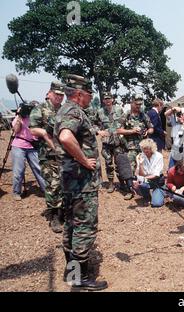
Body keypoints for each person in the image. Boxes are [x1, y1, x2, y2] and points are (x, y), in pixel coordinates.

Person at [54, 74, 107, 291]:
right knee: (84, 227)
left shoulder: (64, 110)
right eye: (88, 94)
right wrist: (84, 160)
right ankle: (80, 279)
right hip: (81, 182)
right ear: (78, 94)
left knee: (71, 225)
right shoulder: (74, 110)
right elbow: (66, 137)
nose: (90, 97)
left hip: (70, 180)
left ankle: (72, 272)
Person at [29, 81, 66, 233]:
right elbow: (32, 129)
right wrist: (44, 132)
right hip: (48, 155)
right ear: (49, 93)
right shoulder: (40, 109)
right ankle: (54, 216)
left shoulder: (64, 110)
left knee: (64, 183)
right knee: (53, 185)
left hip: (64, 154)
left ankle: (62, 211)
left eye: (61, 95)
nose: (59, 97)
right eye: (57, 94)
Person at [117, 93, 154, 200]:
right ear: (131, 103)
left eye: (140, 104)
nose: (138, 106)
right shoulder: (126, 115)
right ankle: (130, 190)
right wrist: (132, 131)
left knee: (144, 168)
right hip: (130, 148)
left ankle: (142, 189)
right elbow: (119, 130)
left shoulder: (143, 115)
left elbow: (151, 127)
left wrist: (148, 131)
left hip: (143, 148)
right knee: (130, 169)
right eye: (136, 104)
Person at [11, 102, 46, 201]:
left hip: (32, 146)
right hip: (19, 145)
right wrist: (19, 116)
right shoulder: (20, 118)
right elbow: (16, 131)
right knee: (19, 170)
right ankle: (16, 192)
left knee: (39, 168)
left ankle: (46, 190)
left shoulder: (36, 118)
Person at [93, 92, 124, 194]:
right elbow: (94, 124)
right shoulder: (100, 112)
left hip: (118, 141)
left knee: (119, 163)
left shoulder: (119, 110)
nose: (107, 100)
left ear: (112, 99)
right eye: (106, 99)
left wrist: (123, 131)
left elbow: (124, 122)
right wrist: (99, 131)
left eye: (109, 99)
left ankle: (122, 183)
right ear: (103, 100)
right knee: (108, 163)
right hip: (106, 142)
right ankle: (111, 183)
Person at [132, 139, 165, 208]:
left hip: (157, 180)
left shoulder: (159, 156)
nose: (145, 151)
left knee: (156, 204)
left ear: (152, 148)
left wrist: (143, 178)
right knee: (141, 184)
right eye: (143, 148)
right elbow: (140, 174)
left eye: (147, 148)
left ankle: (160, 191)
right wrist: (140, 164)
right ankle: (147, 197)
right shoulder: (140, 156)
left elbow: (156, 175)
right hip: (147, 180)